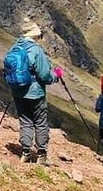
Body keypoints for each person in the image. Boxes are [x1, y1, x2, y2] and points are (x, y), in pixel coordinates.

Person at [5, 18, 62, 165]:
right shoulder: (36, 50)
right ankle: (41, 155)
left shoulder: (14, 48)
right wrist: (56, 76)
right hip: (35, 93)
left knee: (25, 122)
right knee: (40, 123)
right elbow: (45, 76)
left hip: (18, 91)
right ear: (35, 36)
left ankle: (25, 152)